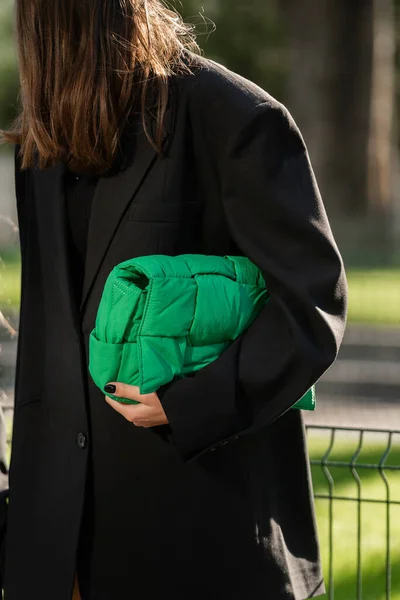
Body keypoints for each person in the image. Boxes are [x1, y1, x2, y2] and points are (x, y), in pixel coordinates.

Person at [0, 1, 348, 599]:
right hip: (58, 559)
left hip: (205, 545)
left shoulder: (237, 116)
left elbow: (312, 307)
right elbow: (45, 340)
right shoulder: (42, 146)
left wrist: (188, 406)